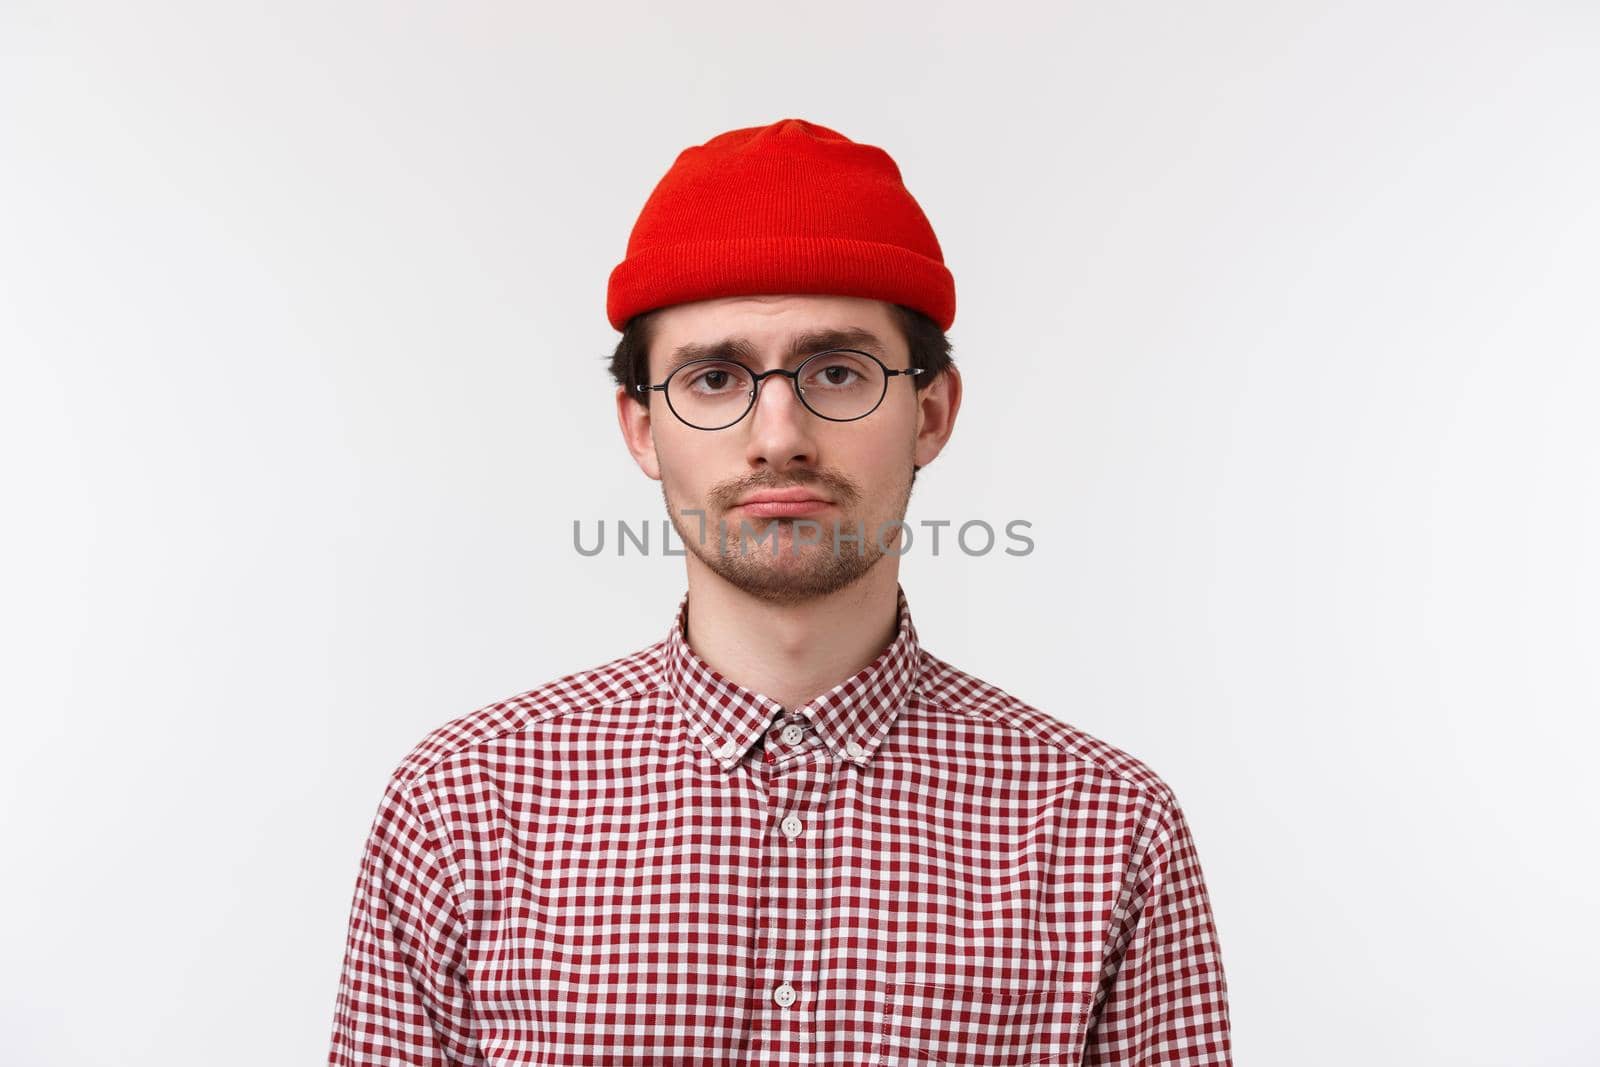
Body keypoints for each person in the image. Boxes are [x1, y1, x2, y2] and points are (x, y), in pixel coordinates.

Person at [327, 117, 1233, 1066]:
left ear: (931, 412)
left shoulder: (1107, 829)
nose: (778, 436)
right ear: (641, 429)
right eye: (714, 378)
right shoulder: (462, 806)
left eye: (836, 372)